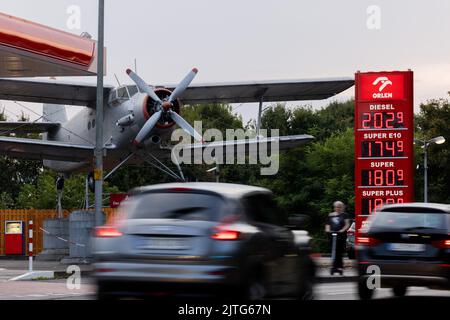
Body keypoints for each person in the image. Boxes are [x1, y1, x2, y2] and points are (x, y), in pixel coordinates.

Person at [325, 201, 351, 275]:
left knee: (339, 251)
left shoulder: (345, 215)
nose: (338, 208)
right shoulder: (330, 215)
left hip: (340, 236)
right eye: (336, 207)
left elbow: (347, 224)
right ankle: (334, 266)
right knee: (333, 250)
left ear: (342, 207)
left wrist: (342, 230)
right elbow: (327, 224)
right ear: (334, 207)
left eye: (339, 207)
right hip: (332, 236)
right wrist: (327, 230)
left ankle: (339, 266)